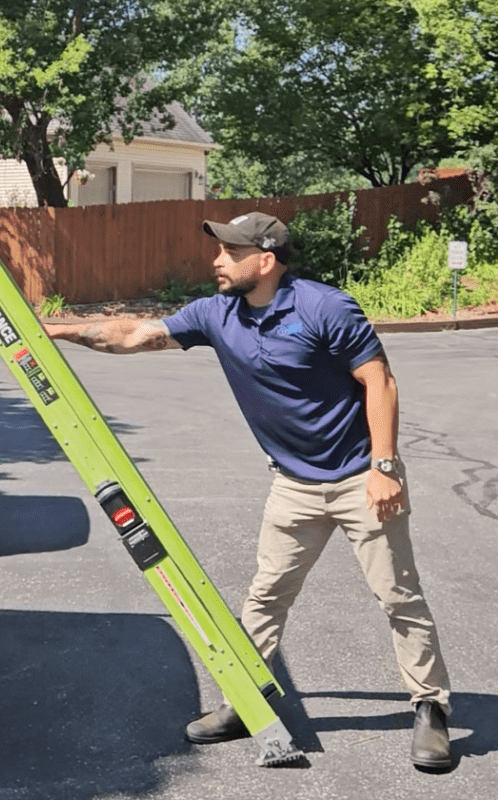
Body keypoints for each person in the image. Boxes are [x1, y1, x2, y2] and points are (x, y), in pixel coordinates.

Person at [44, 212, 452, 770]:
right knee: (266, 596)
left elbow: (379, 380)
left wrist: (384, 466)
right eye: (218, 250)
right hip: (294, 485)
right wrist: (50, 331)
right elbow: (135, 334)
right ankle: (247, 696)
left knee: (399, 597)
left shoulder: (323, 307)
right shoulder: (217, 314)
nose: (216, 260)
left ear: (264, 260)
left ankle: (431, 709)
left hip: (361, 477)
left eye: (229, 252)